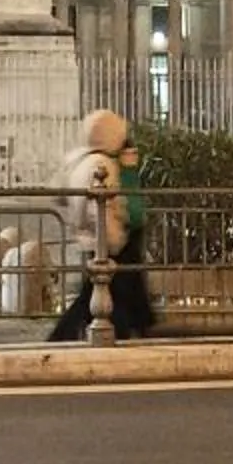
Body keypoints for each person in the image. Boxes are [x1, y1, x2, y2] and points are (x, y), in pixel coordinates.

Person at [49, 110, 157, 342]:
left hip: (94, 239)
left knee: (101, 294)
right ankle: (64, 337)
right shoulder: (101, 164)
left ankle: (128, 331)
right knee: (104, 293)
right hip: (109, 242)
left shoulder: (80, 160)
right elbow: (102, 208)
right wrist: (114, 238)